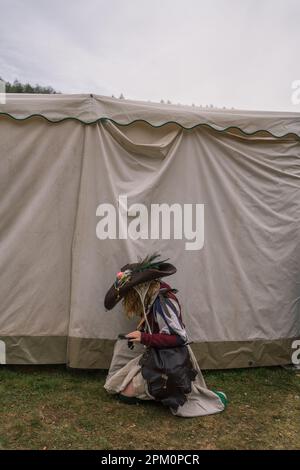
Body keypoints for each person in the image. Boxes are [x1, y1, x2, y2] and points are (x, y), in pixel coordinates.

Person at [104, 253, 227, 417]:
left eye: (131, 290)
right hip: (156, 353)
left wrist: (144, 338)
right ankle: (157, 391)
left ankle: (207, 396)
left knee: (127, 394)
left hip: (169, 358)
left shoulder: (163, 301)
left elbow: (179, 338)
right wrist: (141, 335)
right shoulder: (151, 300)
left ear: (142, 287)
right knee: (121, 391)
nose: (130, 296)